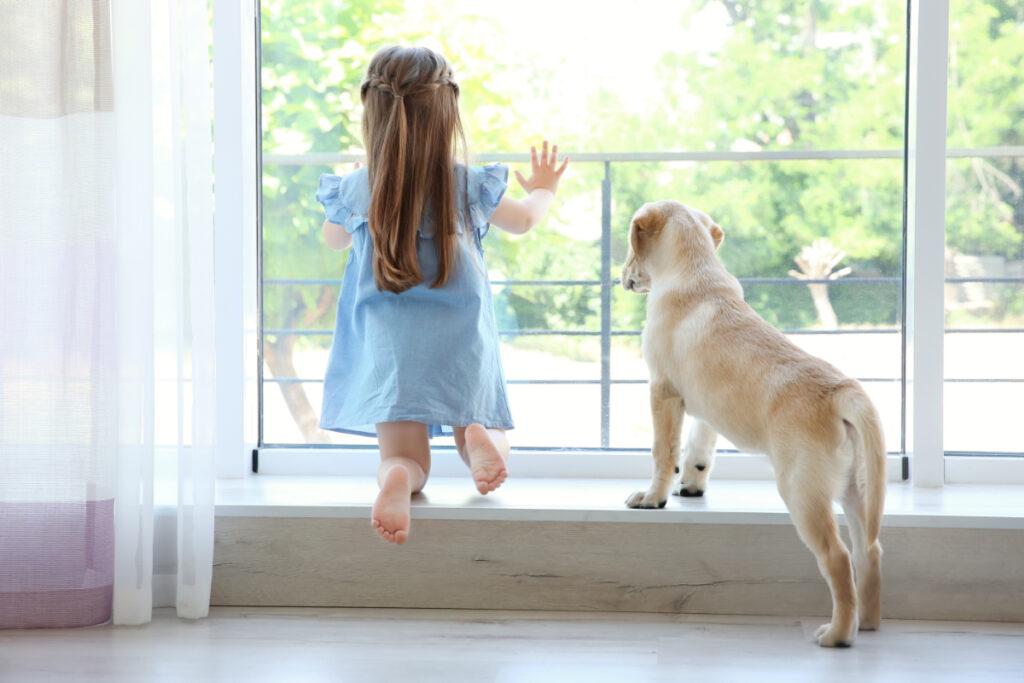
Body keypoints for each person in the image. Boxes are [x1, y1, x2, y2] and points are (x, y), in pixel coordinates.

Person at [315, 45, 568, 545]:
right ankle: (478, 440)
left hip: (391, 348)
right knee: (486, 424)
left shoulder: (359, 188)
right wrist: (544, 189)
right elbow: (524, 222)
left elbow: (334, 238)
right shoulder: (466, 184)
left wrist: (358, 202)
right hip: (459, 338)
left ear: (374, 114)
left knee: (406, 456)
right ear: (447, 113)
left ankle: (397, 480)